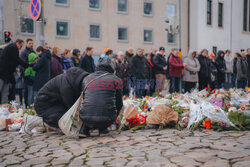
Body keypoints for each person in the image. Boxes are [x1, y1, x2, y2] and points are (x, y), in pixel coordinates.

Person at [23, 67, 89, 135]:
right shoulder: (66, 86)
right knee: (62, 119)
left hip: (54, 103)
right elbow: (71, 107)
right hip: (44, 105)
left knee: (66, 120)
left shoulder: (70, 80)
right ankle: (32, 121)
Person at [79, 58, 123, 138]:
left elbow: (85, 98)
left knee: (91, 108)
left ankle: (84, 129)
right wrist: (115, 116)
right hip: (107, 116)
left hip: (85, 116)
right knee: (102, 112)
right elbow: (119, 102)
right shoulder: (116, 79)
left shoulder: (87, 78)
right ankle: (102, 129)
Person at [0, 39, 27, 104]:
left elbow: (14, 60)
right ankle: (3, 105)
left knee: (5, 91)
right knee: (4, 91)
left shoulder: (11, 48)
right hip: (3, 73)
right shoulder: (13, 48)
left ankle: (4, 106)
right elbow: (16, 59)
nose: (20, 48)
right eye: (20, 46)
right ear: (17, 43)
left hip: (7, 74)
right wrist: (26, 64)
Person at [20, 39, 35, 107]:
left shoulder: (33, 52)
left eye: (32, 43)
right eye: (29, 43)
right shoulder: (23, 52)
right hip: (26, 75)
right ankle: (27, 106)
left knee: (32, 93)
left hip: (33, 74)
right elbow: (22, 64)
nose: (31, 44)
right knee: (27, 92)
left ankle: (31, 106)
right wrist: (25, 74)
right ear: (27, 44)